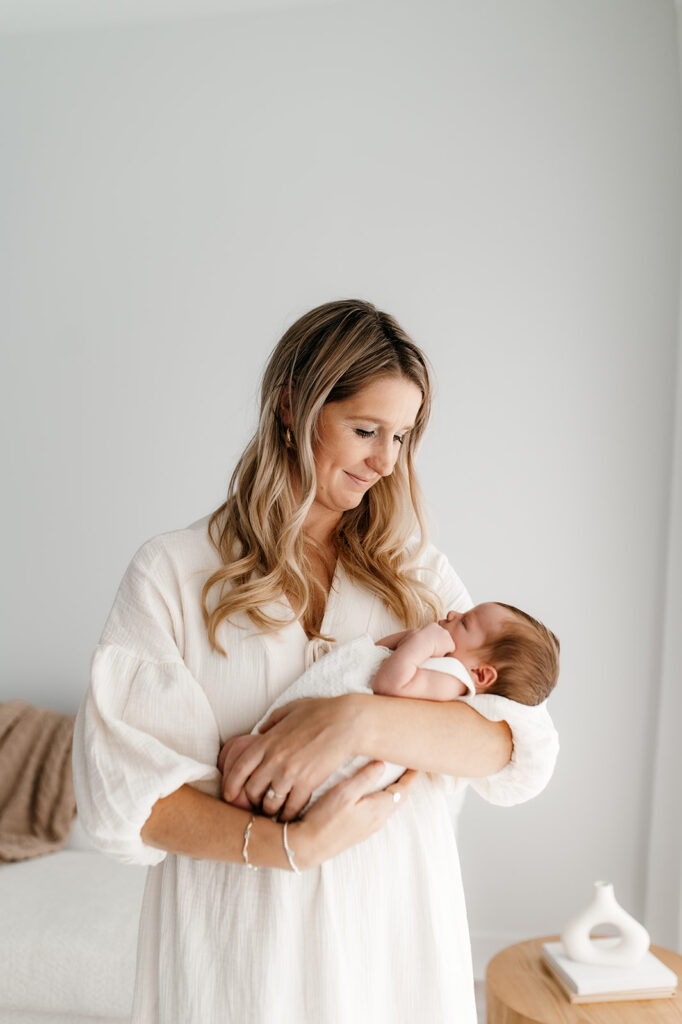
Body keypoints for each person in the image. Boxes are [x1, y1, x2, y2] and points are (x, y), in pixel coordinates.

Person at [72, 299, 559, 1024]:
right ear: (291, 407)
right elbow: (127, 797)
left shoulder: (419, 577)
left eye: (401, 436)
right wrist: (290, 846)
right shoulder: (173, 573)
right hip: (241, 954)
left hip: (392, 943)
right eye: (365, 430)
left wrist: (355, 722)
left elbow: (515, 744)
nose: (386, 461)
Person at [219, 602, 560, 811]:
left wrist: (422, 642)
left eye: (465, 623)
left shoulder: (453, 680)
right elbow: (376, 654)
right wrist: (409, 641)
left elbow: (390, 684)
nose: (452, 613)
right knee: (244, 753)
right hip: (323, 729)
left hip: (343, 756)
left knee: (249, 763)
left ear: (482, 674)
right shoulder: (442, 662)